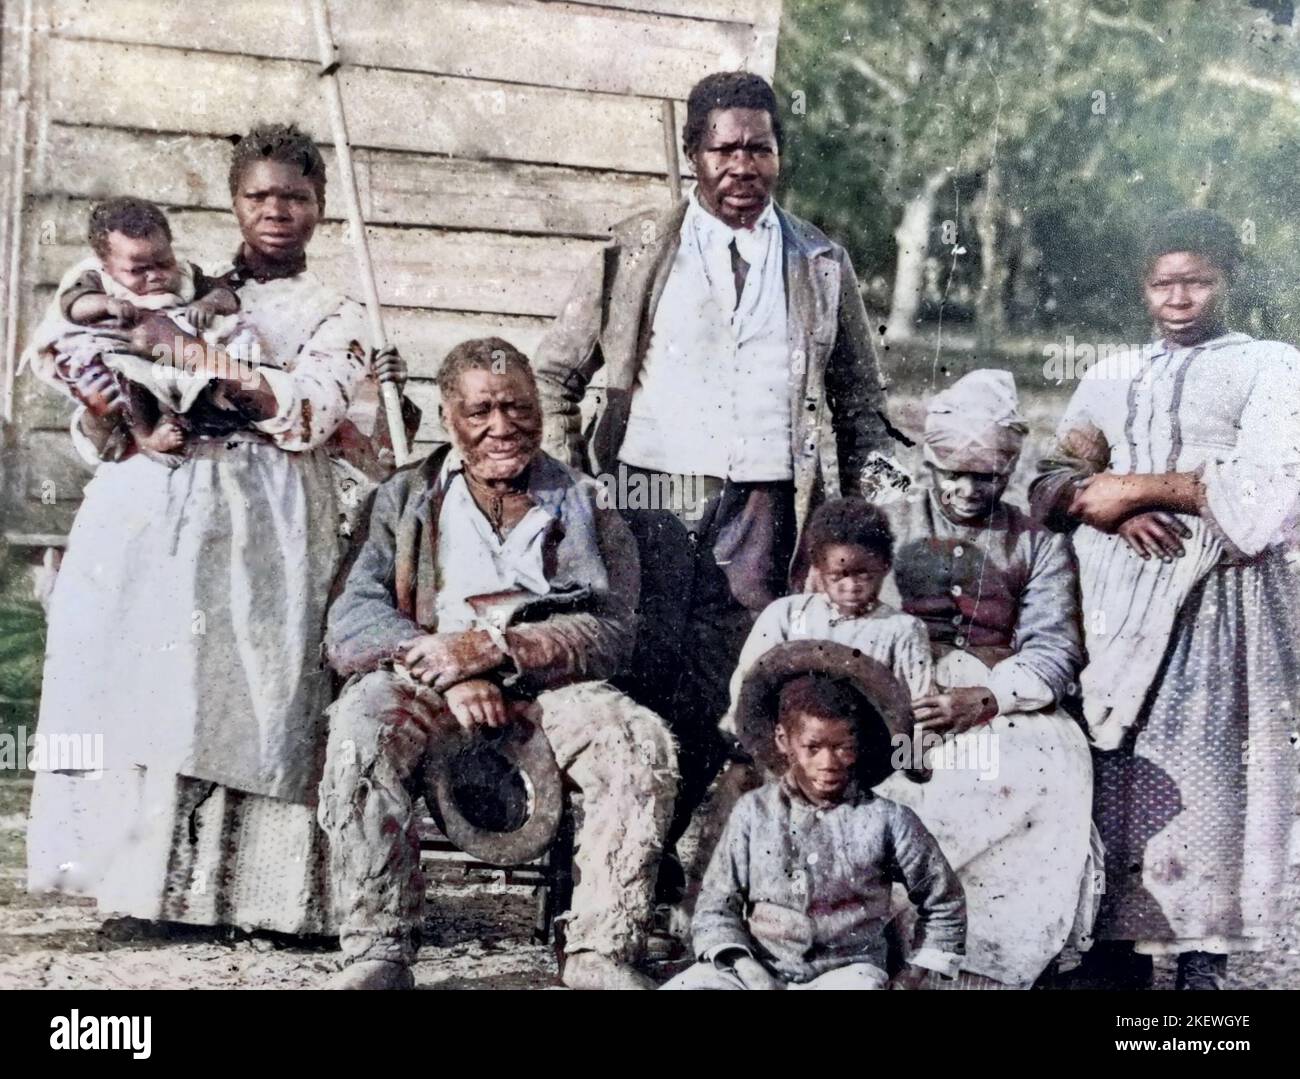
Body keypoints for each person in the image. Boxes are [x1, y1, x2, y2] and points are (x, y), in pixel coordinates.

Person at [25, 122, 406, 935]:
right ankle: (141, 890)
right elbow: (95, 391)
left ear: (320, 206)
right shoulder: (172, 280)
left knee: (254, 694)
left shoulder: (334, 311)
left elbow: (308, 408)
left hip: (264, 520)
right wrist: (116, 398)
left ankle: (252, 900)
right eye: (258, 195)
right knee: (146, 687)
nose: (276, 211)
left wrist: (194, 357)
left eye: (295, 197)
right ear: (234, 202)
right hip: (152, 510)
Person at [534, 70, 893, 842]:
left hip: (760, 509)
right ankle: (587, 871)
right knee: (632, 671)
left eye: (759, 149)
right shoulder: (637, 251)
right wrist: (577, 489)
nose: (742, 167)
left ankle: (668, 868)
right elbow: (556, 373)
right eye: (723, 149)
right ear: (692, 153)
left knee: (726, 688)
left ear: (778, 155)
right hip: (649, 497)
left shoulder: (820, 263)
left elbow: (860, 405)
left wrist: (857, 522)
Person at [319, 338, 679, 991]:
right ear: (448, 414)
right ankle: (378, 946)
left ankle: (601, 947)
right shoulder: (405, 497)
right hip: (426, 679)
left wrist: (499, 650)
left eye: (517, 406)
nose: (502, 426)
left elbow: (611, 625)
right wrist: (451, 669)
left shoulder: (581, 499)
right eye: (481, 409)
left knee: (635, 741)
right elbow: (349, 624)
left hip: (546, 688)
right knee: (359, 726)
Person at [1030, 209, 1300, 990]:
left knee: (1210, 770)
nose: (1179, 297)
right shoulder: (1113, 372)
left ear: (1229, 281)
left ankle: (1200, 965)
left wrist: (1144, 485)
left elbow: (1269, 491)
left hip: (1222, 600)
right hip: (1117, 597)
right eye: (1163, 283)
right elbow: (1054, 471)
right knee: (1122, 768)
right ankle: (1116, 952)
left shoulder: (1270, 367)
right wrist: (1101, 501)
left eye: (1197, 281)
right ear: (1143, 287)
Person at [870, 368, 1097, 989]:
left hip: (1003, 697)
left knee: (1039, 771)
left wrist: (988, 697)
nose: (970, 491)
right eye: (955, 475)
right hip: (898, 688)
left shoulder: (1038, 541)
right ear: (930, 465)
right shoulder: (888, 524)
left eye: (988, 477)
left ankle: (983, 966)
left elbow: (1056, 647)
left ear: (1010, 471)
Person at [662, 642, 964, 990]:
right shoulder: (753, 813)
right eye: (813, 748)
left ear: (859, 747)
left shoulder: (888, 820)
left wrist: (912, 976)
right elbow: (716, 907)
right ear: (783, 741)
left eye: (843, 748)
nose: (828, 763)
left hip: (847, 975)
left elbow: (945, 902)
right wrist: (747, 968)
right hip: (756, 971)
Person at [24, 196, 246, 465]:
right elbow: (72, 304)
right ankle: (145, 437)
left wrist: (207, 303)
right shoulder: (98, 279)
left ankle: (172, 422)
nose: (155, 276)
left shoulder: (189, 275)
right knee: (128, 378)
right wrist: (107, 303)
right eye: (138, 270)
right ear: (107, 267)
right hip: (122, 355)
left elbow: (227, 296)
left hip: (173, 358)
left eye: (164, 263)